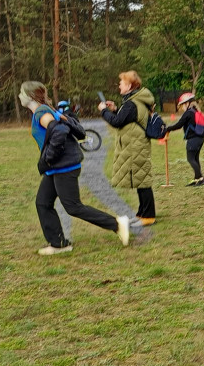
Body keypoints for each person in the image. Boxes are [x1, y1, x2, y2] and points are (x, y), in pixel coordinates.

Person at [22, 81, 129, 254]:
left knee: (73, 207)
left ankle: (117, 224)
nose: (19, 96)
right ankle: (58, 244)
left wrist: (48, 157)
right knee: (43, 202)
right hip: (55, 168)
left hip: (63, 166)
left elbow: (58, 131)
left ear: (30, 96)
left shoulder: (42, 111)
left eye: (22, 93)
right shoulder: (44, 110)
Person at [98, 70, 157, 224]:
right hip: (136, 144)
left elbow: (117, 122)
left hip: (135, 146)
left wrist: (104, 111)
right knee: (139, 180)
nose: (119, 85)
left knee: (142, 181)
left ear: (129, 85)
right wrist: (115, 109)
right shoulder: (134, 101)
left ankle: (148, 216)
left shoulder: (132, 103)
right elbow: (126, 118)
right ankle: (142, 214)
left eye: (121, 83)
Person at [165, 92, 204, 186]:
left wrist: (167, 128)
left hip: (193, 140)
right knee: (195, 159)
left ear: (186, 103)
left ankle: (201, 178)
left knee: (190, 159)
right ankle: (197, 178)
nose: (182, 108)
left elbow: (178, 125)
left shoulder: (188, 113)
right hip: (199, 139)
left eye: (182, 105)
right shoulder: (195, 111)